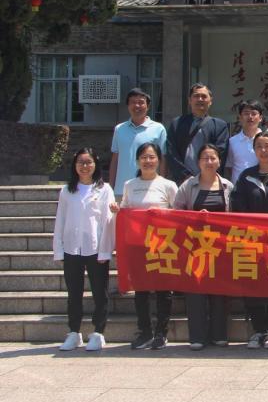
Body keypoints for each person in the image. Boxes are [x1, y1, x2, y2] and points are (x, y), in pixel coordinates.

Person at [112, 142, 178, 350]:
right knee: (140, 290)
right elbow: (125, 211)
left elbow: (178, 214)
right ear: (137, 161)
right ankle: (144, 331)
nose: (148, 161)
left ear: (159, 160)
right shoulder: (130, 185)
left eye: (152, 157)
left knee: (163, 290)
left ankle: (161, 333)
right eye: (143, 157)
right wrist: (117, 210)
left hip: (162, 246)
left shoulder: (168, 185)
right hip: (138, 246)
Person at [232, 131, 268, 349]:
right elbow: (238, 205)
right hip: (252, 239)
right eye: (259, 146)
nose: (264, 150)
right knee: (252, 284)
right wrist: (255, 227)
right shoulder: (246, 176)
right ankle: (258, 330)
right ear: (254, 150)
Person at [54, 148, 115, 352]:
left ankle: (98, 332)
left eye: (89, 162)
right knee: (74, 293)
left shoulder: (104, 189)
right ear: (75, 165)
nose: (85, 166)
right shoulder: (67, 191)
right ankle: (74, 332)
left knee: (99, 292)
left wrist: (105, 250)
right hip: (72, 248)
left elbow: (108, 222)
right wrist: (59, 249)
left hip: (96, 249)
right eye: (81, 162)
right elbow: (60, 220)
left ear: (96, 164)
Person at [173, 144, 233, 350]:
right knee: (195, 292)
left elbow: (236, 216)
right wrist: (194, 217)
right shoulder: (188, 186)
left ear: (219, 161)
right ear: (198, 162)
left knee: (220, 291)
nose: (209, 162)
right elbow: (176, 213)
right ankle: (197, 336)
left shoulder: (227, 186)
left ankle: (219, 334)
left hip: (221, 246)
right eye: (205, 158)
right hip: (195, 247)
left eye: (213, 158)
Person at [165, 83, 229, 184]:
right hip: (183, 182)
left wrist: (206, 176)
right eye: (196, 96)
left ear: (210, 101)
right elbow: (171, 152)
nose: (200, 99)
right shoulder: (177, 124)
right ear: (189, 100)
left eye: (204, 96)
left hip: (209, 181)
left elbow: (220, 153)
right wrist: (185, 176)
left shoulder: (220, 126)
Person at [109, 88, 166, 198]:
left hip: (149, 191)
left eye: (141, 102)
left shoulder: (158, 129)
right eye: (133, 102)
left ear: (148, 106)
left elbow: (163, 159)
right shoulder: (119, 129)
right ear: (128, 106)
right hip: (121, 190)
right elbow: (115, 159)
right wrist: (111, 187)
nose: (137, 106)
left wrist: (162, 186)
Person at [225, 99, 264, 184]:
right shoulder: (232, 142)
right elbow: (229, 167)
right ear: (240, 117)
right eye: (246, 113)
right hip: (238, 188)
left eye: (254, 113)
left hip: (261, 187)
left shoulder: (267, 141)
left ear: (260, 118)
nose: (250, 117)